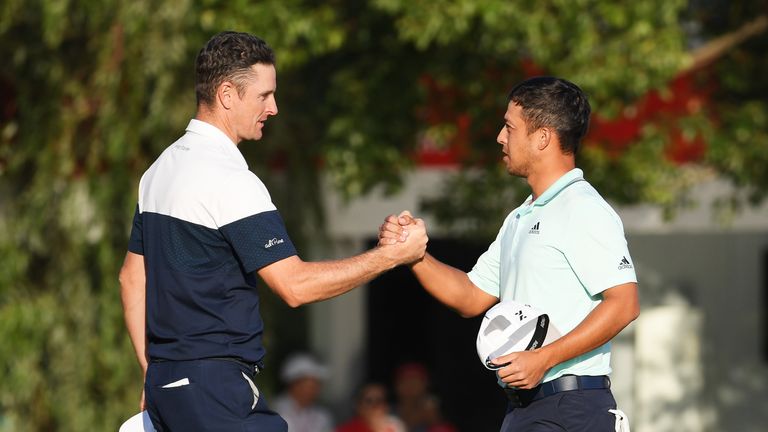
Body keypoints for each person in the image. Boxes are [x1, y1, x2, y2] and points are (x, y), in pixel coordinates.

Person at [119, 31, 427, 432]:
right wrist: (391, 256)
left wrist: (153, 371)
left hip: (167, 384)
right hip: (214, 390)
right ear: (228, 94)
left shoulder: (157, 171)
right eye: (264, 96)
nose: (274, 108)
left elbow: (131, 278)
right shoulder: (231, 179)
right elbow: (295, 286)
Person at [379, 76, 640, 431]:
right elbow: (470, 296)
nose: (501, 137)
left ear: (543, 137)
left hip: (571, 408)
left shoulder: (582, 207)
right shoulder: (520, 217)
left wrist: (543, 359)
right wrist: (414, 255)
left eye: (509, 127)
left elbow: (624, 304)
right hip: (525, 410)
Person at [273, 352, 334, 432]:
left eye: (317, 385)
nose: (316, 390)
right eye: (311, 386)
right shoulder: (275, 411)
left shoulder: (322, 417)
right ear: (295, 385)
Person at [336, 383, 405, 432]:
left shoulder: (395, 427)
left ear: (386, 406)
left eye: (379, 400)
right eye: (369, 401)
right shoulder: (344, 430)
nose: (374, 406)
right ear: (358, 406)